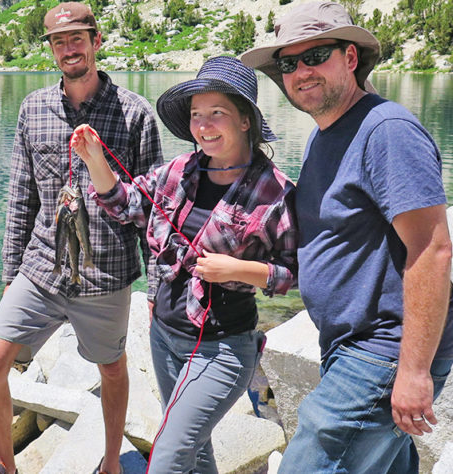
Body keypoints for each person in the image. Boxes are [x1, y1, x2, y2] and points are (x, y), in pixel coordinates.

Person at [240, 2, 453, 472]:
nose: (301, 71)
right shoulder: (325, 135)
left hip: (382, 351)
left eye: (316, 55)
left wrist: (413, 371)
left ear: (351, 57)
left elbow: (432, 249)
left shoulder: (387, 131)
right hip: (349, 347)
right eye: (288, 63)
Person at [70, 56, 298, 473]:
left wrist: (236, 269)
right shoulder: (180, 170)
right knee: (196, 455)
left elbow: (296, 273)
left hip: (223, 349)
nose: (203, 125)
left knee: (167, 459)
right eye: (196, 114)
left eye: (217, 113)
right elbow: (125, 204)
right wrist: (94, 159)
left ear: (245, 120)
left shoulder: (276, 191)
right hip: (164, 338)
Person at [0, 3, 163, 474]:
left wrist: (158, 287)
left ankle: (112, 465)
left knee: (112, 368)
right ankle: (6, 467)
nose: (68, 48)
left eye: (77, 38)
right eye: (59, 41)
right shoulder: (33, 108)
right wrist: (9, 275)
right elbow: (21, 197)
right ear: (52, 50)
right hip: (41, 267)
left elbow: (153, 211)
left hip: (108, 272)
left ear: (96, 41)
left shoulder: (136, 114)